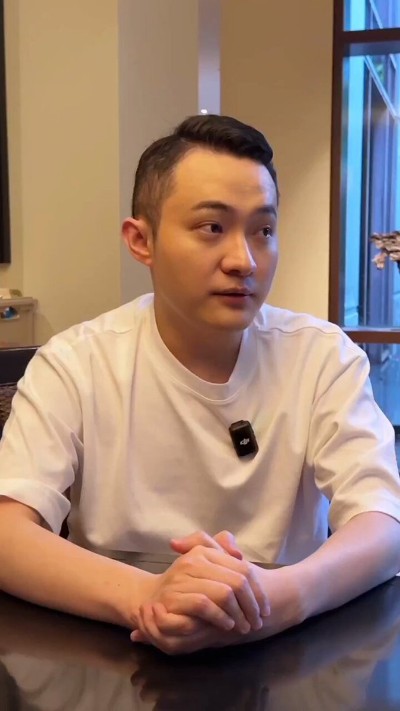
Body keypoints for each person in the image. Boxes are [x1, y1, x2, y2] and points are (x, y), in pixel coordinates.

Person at [0, 114, 399, 656]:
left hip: (288, 649)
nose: (243, 260)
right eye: (212, 227)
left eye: (263, 230)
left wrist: (277, 598)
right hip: (112, 647)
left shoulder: (322, 357)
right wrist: (147, 597)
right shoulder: (76, 363)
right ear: (141, 240)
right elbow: (9, 533)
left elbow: (383, 523)